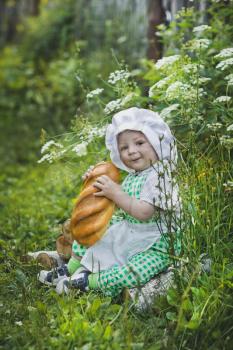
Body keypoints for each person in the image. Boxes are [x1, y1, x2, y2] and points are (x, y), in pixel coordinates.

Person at [38, 107, 181, 297]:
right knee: (93, 230)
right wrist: (94, 183)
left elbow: (145, 212)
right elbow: (112, 200)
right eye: (124, 147)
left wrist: (115, 193)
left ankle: (87, 282)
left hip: (157, 243)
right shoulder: (135, 175)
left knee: (135, 271)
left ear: (156, 142)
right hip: (131, 232)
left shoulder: (161, 175)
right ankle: (70, 269)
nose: (132, 151)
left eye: (139, 142)